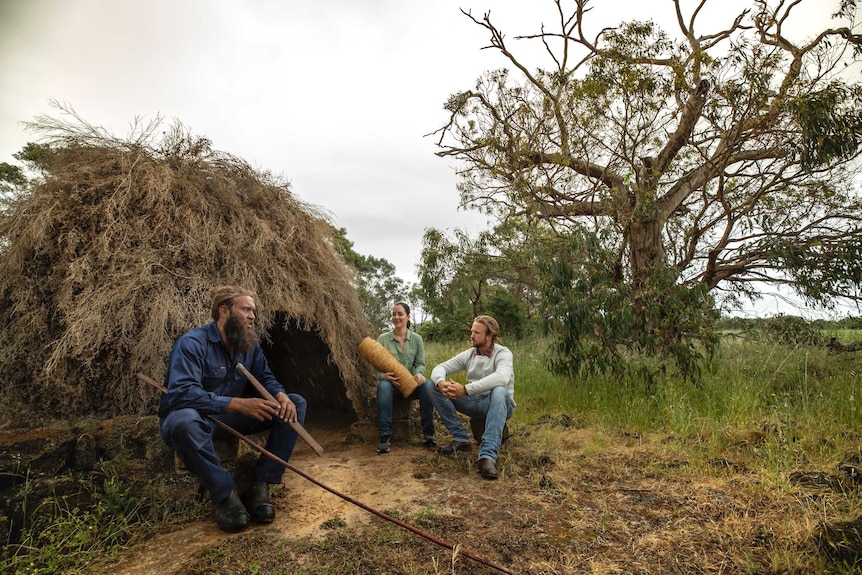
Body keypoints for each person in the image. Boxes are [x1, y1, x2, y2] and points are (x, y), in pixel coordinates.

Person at [158, 285, 307, 533]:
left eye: (253, 311)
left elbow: (265, 378)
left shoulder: (249, 346)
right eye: (246, 309)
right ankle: (225, 495)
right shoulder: (192, 343)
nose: (253, 316)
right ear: (224, 311)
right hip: (193, 419)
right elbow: (182, 393)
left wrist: (280, 395)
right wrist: (236, 403)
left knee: (296, 403)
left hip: (227, 419)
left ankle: (261, 485)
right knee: (185, 420)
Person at [429, 315, 514, 480]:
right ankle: (461, 438)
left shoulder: (503, 353)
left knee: (499, 390)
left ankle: (487, 457)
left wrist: (466, 389)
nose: (472, 336)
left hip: (499, 403)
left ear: (490, 335)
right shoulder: (470, 354)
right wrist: (440, 382)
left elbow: (502, 378)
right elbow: (441, 367)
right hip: (475, 402)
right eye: (472, 331)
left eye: (477, 332)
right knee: (431, 385)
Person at [375, 301, 436, 453]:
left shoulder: (417, 339)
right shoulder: (382, 339)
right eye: (394, 314)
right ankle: (384, 436)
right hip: (393, 387)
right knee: (383, 386)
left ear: (408, 317)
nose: (396, 317)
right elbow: (375, 368)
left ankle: (429, 434)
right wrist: (383, 376)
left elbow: (420, 363)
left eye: (400, 314)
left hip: (412, 385)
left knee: (428, 386)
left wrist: (419, 374)